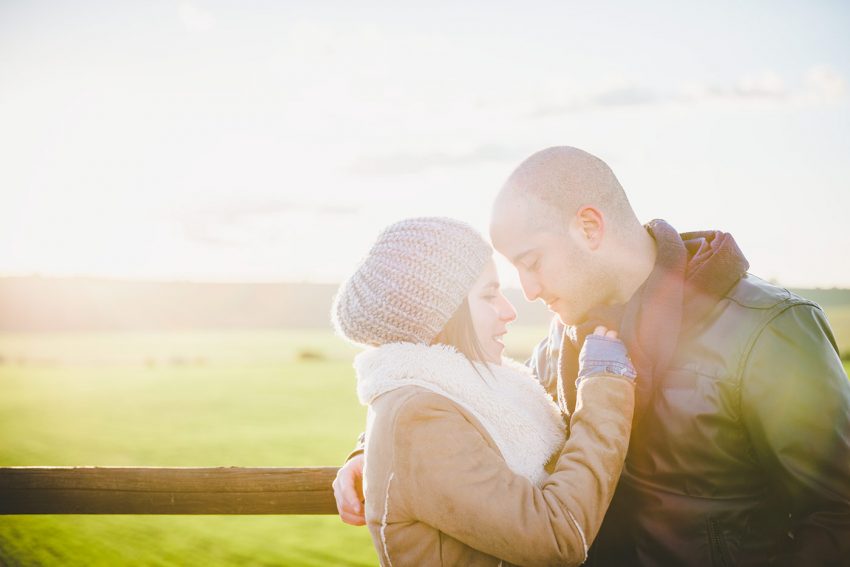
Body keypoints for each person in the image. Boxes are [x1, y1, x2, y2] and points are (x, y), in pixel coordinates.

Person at [336, 148, 850, 566]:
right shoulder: (565, 339)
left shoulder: (768, 329)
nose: (529, 292)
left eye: (532, 262)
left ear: (589, 227)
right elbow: (471, 402)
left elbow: (838, 515)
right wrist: (371, 452)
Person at [331, 217, 637, 566]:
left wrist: (364, 449)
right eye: (489, 295)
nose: (509, 311)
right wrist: (606, 385)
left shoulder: (472, 391)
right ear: (441, 313)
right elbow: (556, 537)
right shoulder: (418, 421)